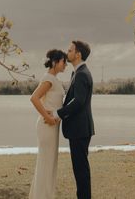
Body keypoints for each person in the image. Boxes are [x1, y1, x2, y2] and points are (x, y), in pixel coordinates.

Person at [54, 40, 94, 199]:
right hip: (79, 129)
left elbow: (78, 101)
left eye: (70, 50)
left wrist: (59, 113)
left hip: (80, 129)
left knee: (81, 171)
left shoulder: (82, 74)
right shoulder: (77, 73)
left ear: (78, 54)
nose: (67, 53)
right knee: (80, 170)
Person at [28, 49, 67, 199]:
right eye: (63, 62)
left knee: (49, 162)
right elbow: (34, 98)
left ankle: (44, 195)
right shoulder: (49, 79)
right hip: (47, 125)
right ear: (55, 62)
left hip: (52, 126)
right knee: (46, 162)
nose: (65, 65)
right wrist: (48, 117)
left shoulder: (53, 78)